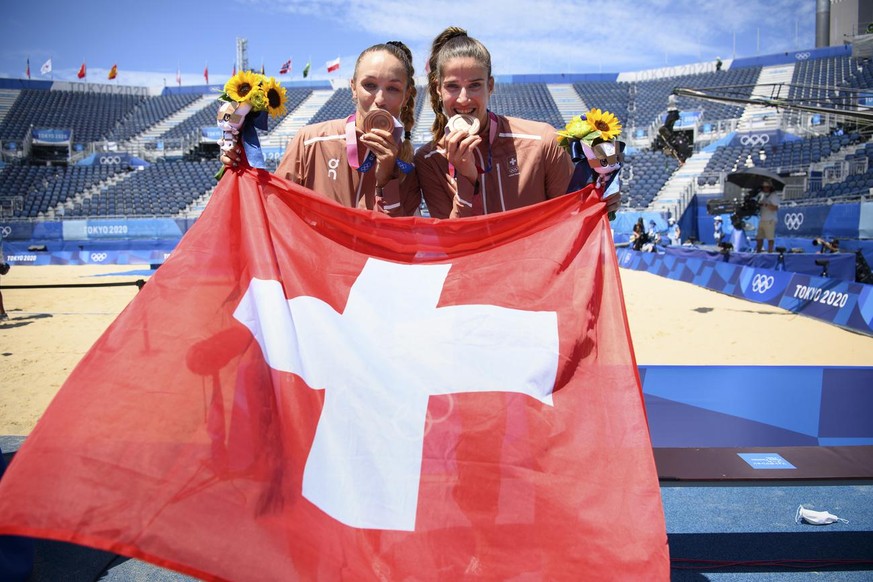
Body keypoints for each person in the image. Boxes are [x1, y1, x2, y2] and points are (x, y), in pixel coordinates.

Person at [414, 26, 621, 219]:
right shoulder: (429, 160)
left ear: (490, 86)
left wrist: (603, 198)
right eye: (452, 86)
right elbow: (452, 242)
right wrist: (467, 181)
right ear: (438, 89)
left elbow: (573, 219)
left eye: (475, 85)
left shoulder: (542, 141)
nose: (463, 98)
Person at [222, 41, 421, 216]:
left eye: (393, 89)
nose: (380, 99)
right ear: (353, 88)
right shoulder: (309, 141)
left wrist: (387, 181)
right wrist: (240, 163)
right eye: (369, 85)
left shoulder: (407, 164)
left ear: (405, 95)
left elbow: (402, 243)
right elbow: (274, 212)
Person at [755, 179, 781, 253]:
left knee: (770, 238)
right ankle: (758, 251)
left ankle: (770, 252)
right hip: (762, 219)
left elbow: (775, 208)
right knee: (759, 237)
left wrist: (766, 205)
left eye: (767, 187)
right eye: (764, 187)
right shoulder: (761, 195)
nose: (765, 188)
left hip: (770, 220)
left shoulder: (773, 196)